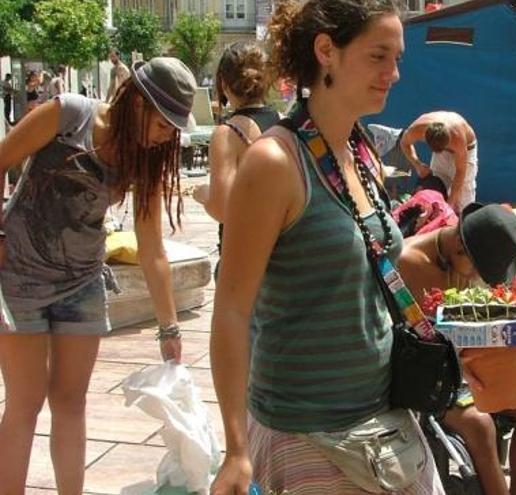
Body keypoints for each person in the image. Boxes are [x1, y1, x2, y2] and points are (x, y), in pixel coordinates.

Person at [210, 0, 442, 493]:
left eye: (397, 58)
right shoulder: (274, 162)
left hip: (385, 418)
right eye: (380, 56)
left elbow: (376, 265)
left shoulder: (361, 154)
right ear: (326, 52)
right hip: (307, 432)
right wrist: (234, 450)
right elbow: (231, 310)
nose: (395, 73)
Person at [0, 57, 196, 494]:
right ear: (138, 104)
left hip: (82, 283)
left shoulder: (144, 160)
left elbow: (152, 248)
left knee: (70, 402)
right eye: (164, 123)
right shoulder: (69, 114)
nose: (167, 136)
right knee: (25, 402)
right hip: (20, 276)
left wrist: (169, 327)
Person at [398, 203, 516, 495]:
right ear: (459, 245)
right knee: (479, 425)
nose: (473, 279)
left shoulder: (458, 259)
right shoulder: (408, 261)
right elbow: (412, 340)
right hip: (424, 378)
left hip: (464, 371)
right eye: (475, 270)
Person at [192, 41, 279, 273]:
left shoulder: (228, 134)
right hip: (281, 250)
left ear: (223, 83)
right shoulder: (283, 122)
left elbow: (222, 208)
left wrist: (202, 194)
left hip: (243, 255)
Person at [399, 111, 478, 214]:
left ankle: (462, 222)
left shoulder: (458, 136)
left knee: (463, 202)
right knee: (436, 186)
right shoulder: (417, 129)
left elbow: (460, 171)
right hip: (442, 144)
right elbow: (404, 143)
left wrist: (450, 204)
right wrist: (418, 165)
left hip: (466, 149)